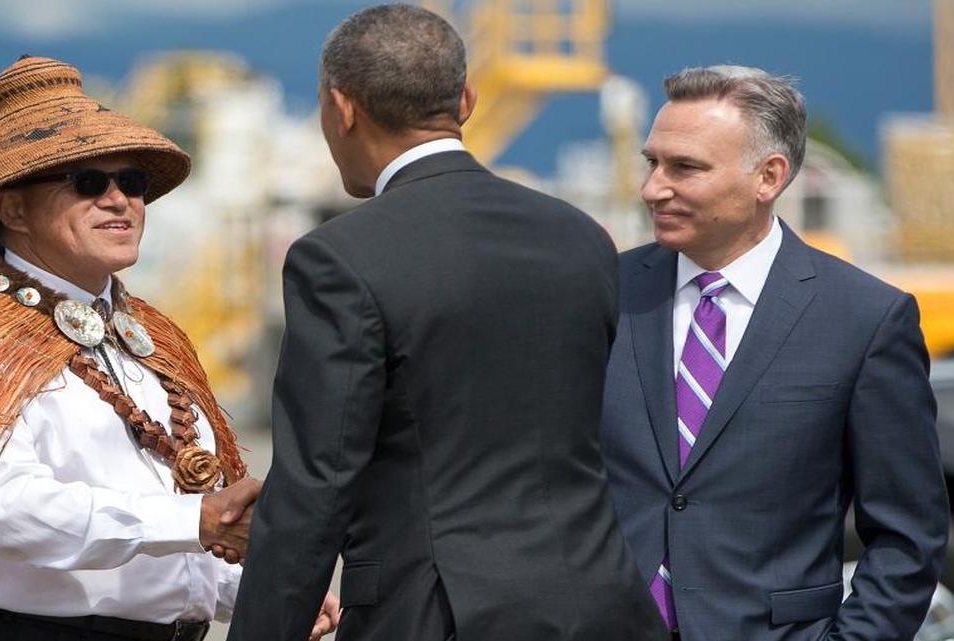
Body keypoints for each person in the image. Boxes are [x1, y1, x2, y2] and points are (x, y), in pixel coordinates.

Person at [0, 55, 336, 641]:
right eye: (88, 182)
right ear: (13, 209)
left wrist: (262, 589)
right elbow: (11, 511)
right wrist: (196, 520)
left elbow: (175, 538)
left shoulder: (148, 337)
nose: (120, 200)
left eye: (133, 183)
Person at [226, 5, 668, 641]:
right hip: (603, 605)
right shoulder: (581, 238)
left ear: (342, 107)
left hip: (437, 614)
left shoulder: (340, 257)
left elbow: (318, 483)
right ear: (466, 101)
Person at [600, 64, 948, 641]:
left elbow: (908, 535)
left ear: (769, 176)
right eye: (652, 162)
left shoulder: (864, 319)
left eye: (685, 167)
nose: (653, 188)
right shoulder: (601, 293)